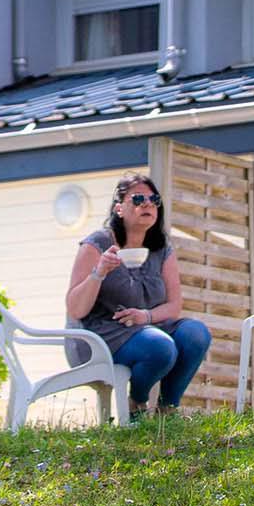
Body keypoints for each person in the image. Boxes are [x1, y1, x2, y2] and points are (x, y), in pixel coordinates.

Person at [65, 172, 211, 418]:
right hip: (100, 336)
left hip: (147, 327)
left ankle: (167, 411)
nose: (148, 204)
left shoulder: (161, 249)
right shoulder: (98, 244)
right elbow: (75, 309)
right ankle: (138, 404)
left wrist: (145, 316)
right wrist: (99, 272)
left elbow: (174, 306)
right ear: (119, 208)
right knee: (161, 346)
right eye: (138, 198)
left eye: (154, 199)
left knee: (196, 334)